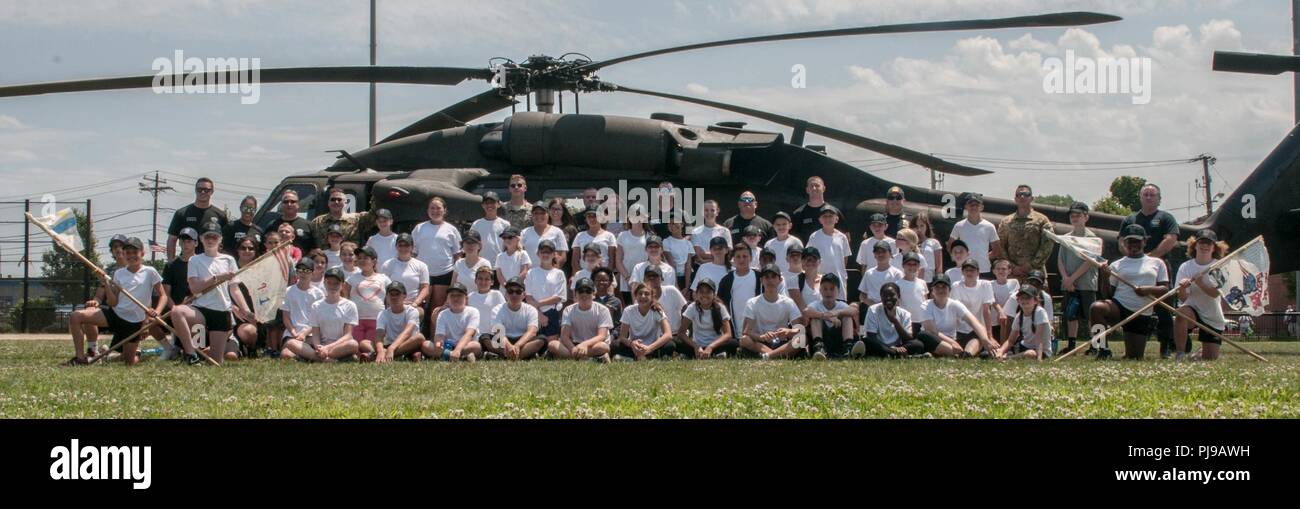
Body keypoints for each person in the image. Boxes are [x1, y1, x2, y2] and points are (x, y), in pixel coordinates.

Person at [65, 238, 167, 366]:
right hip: (116, 315)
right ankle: (79, 358)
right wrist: (106, 283)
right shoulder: (119, 273)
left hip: (134, 323)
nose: (131, 256)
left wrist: (156, 312)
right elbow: (113, 303)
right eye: (128, 253)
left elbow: (163, 296)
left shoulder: (150, 271)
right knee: (76, 316)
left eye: (134, 252)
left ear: (142, 253)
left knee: (129, 362)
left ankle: (115, 355)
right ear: (124, 254)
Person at [171, 224, 253, 364]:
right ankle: (191, 355)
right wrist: (217, 278)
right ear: (201, 239)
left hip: (221, 312)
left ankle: (207, 352)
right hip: (200, 311)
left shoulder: (229, 260)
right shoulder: (194, 260)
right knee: (177, 311)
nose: (210, 240)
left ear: (220, 239)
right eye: (207, 236)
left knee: (215, 362)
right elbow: (195, 288)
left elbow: (234, 289)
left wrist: (246, 311)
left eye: (214, 236)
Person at [1118, 183, 1181, 358]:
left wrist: (1149, 258)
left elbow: (1171, 239)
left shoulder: (1166, 218)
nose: (1148, 197)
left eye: (1152, 195)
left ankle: (1165, 347)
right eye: (1145, 194)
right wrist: (1133, 257)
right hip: (1131, 269)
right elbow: (1121, 241)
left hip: (1158, 268)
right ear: (1140, 197)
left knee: (1163, 309)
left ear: (1159, 199)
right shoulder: (1129, 219)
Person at [1089, 225, 1170, 360]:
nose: (1134, 245)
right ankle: (1102, 349)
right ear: (1125, 243)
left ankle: (1130, 349)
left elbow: (1165, 290)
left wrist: (1147, 290)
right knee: (1097, 308)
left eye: (1137, 241)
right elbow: (1107, 295)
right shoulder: (1116, 265)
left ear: (1144, 241)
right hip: (1120, 306)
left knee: (1134, 357)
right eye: (1130, 241)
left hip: (1142, 312)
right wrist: (1104, 277)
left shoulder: (1157, 263)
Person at [281, 267, 361, 362]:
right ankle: (328, 359)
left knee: (353, 344)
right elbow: (315, 333)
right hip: (320, 345)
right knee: (291, 343)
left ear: (342, 285)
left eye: (336, 283)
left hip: (339, 345)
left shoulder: (350, 305)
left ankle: (317, 358)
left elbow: (348, 335)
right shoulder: (316, 305)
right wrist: (319, 347)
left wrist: (327, 348)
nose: (332, 286)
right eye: (329, 283)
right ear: (324, 284)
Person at [1174, 230, 1229, 360]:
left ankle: (1199, 353)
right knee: (1181, 313)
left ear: (1214, 247)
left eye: (1209, 243)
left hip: (1212, 315)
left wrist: (1200, 283)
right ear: (1195, 245)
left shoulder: (1218, 267)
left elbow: (1215, 294)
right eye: (1201, 243)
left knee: (1209, 359)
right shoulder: (1185, 267)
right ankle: (1180, 353)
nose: (1205, 246)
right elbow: (1183, 298)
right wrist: (1182, 288)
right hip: (1192, 310)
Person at [1058, 201, 1099, 355]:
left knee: (1092, 315)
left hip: (1086, 282)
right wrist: (1066, 279)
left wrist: (1073, 277)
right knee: (1071, 315)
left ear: (1086, 217)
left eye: (1078, 215)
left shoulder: (1092, 238)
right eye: (1072, 215)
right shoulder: (1066, 238)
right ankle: (1071, 344)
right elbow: (1060, 260)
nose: (1075, 218)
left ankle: (1096, 345)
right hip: (1069, 283)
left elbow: (1090, 261)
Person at [738, 264, 805, 360]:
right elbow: (746, 332)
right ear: (761, 280)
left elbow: (799, 329)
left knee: (802, 339)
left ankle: (768, 356)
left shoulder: (788, 302)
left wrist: (788, 331)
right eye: (767, 277)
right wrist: (761, 337)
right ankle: (777, 355)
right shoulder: (752, 302)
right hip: (761, 343)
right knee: (744, 340)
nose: (770, 280)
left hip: (782, 342)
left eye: (773, 277)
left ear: (780, 280)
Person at [920, 275, 996, 358]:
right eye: (937, 287)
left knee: (979, 332)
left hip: (953, 339)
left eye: (944, 287)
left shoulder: (955, 304)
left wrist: (986, 341)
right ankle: (959, 354)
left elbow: (974, 322)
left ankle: (967, 354)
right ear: (932, 290)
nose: (941, 290)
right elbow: (932, 330)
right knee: (924, 335)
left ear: (949, 290)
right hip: (937, 339)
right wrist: (952, 342)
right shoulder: (926, 305)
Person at [412, 196, 461, 323]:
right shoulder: (419, 228)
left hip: (444, 273)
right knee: (421, 306)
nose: (435, 211)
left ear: (444, 210)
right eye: (432, 208)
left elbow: (457, 255)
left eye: (438, 208)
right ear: (427, 210)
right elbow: (413, 252)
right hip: (423, 274)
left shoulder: (451, 229)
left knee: (437, 308)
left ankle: (434, 337)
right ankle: (419, 335)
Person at [858, 282, 928, 358]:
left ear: (898, 296)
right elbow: (871, 336)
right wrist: (891, 348)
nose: (888, 298)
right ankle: (897, 354)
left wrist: (894, 320)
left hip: (898, 346)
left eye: (892, 295)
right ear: (881, 297)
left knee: (918, 344)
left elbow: (907, 339)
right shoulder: (873, 310)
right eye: (885, 296)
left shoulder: (905, 314)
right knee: (866, 341)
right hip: (879, 344)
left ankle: (890, 354)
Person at [997, 185, 1053, 280]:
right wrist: (1012, 267)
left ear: (1031, 198)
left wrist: (1030, 266)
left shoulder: (1042, 220)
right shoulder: (1006, 222)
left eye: (1026, 194)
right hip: (1012, 274)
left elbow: (1047, 245)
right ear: (1015, 199)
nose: (1022, 197)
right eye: (1019, 194)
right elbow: (1000, 246)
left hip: (1035, 275)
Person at [345, 246, 391, 361]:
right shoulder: (351, 279)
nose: (362, 260)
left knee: (369, 344)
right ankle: (369, 356)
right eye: (359, 258)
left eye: (366, 258)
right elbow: (345, 299)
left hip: (377, 320)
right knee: (357, 345)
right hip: (357, 320)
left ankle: (373, 355)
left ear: (374, 261)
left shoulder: (384, 279)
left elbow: (389, 301)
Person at [482, 276, 544, 360]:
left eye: (518, 291)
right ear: (506, 294)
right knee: (485, 338)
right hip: (503, 340)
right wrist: (509, 346)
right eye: (510, 291)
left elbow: (532, 332)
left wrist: (517, 345)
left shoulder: (531, 310)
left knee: (542, 339)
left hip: (523, 340)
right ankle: (522, 355)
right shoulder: (497, 309)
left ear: (524, 295)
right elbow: (498, 332)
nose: (514, 294)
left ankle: (504, 357)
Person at [167, 177, 229, 260]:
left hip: (211, 262)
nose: (203, 192)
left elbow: (226, 242)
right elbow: (172, 239)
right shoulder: (182, 213)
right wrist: (171, 262)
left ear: (212, 192)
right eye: (199, 189)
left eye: (206, 190)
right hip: (188, 261)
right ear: (195, 190)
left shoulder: (220, 215)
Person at [554, 277, 614, 362]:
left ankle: (577, 357)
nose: (584, 294)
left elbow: (602, 336)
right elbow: (564, 336)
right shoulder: (568, 310)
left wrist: (584, 344)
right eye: (581, 291)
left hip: (594, 344)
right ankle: (588, 358)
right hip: (575, 344)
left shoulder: (602, 309)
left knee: (603, 347)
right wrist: (573, 348)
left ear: (593, 294)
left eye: (588, 291)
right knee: (553, 344)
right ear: (575, 294)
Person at [802, 273, 858, 360]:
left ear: (838, 291)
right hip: (823, 338)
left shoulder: (841, 305)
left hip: (838, 340)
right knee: (816, 318)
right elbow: (806, 311)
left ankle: (848, 347)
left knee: (847, 316)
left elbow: (854, 311)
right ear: (820, 290)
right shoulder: (816, 304)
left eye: (832, 289)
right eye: (825, 289)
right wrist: (825, 316)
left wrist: (836, 313)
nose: (828, 292)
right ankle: (819, 347)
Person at [616, 282, 677, 360]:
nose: (643, 296)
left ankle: (638, 357)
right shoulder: (628, 310)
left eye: (646, 294)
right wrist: (631, 344)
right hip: (635, 346)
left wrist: (649, 348)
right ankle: (647, 356)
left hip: (653, 346)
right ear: (635, 296)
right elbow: (622, 337)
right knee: (615, 345)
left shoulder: (657, 310)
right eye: (640, 294)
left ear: (652, 297)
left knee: (671, 345)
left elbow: (668, 334)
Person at [280, 258, 326, 359]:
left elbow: (318, 319)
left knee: (297, 348)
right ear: (296, 272)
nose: (303, 273)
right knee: (286, 354)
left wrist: (304, 333)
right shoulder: (288, 291)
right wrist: (294, 334)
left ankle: (307, 356)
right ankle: (317, 358)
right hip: (292, 334)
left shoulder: (318, 293)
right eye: (300, 270)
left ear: (312, 273)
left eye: (307, 271)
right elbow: (286, 317)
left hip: (312, 334)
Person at [524, 240, 567, 345]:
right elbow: (528, 297)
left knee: (551, 345)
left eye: (548, 252)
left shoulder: (559, 273)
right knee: (534, 343)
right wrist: (539, 315)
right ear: (538, 254)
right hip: (534, 313)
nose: (545, 254)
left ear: (554, 254)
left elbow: (558, 297)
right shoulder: (531, 272)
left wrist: (538, 304)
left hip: (552, 312)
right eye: (543, 252)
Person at [379, 233, 430, 321]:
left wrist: (415, 303)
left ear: (412, 247)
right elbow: (382, 288)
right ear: (396, 247)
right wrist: (396, 303)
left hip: (414, 305)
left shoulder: (421, 266)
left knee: (415, 314)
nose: (403, 248)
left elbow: (425, 288)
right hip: (392, 304)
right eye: (400, 245)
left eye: (406, 245)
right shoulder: (387, 265)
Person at [680, 278, 735, 359]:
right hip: (698, 346)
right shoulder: (692, 307)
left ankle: (714, 353)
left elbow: (728, 334)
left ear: (714, 294)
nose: (704, 295)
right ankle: (710, 354)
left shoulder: (720, 308)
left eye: (708, 292)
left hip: (716, 345)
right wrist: (696, 346)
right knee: (676, 344)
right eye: (701, 292)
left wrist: (711, 347)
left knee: (734, 343)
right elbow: (681, 333)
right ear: (696, 294)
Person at [948, 192, 1001, 277]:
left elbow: (997, 249)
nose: (974, 207)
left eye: (976, 204)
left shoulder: (989, 226)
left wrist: (984, 257)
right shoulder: (959, 226)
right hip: (965, 270)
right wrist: (959, 258)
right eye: (971, 204)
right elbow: (950, 245)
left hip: (983, 269)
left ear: (981, 207)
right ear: (966, 206)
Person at [426, 282, 481, 362]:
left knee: (475, 346)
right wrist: (438, 344)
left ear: (466, 298)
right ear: (447, 299)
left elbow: (469, 334)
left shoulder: (473, 311)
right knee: (426, 344)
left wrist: (458, 349)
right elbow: (439, 335)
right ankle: (460, 357)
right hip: (447, 346)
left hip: (465, 345)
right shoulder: (443, 314)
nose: (456, 298)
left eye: (459, 295)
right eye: (452, 296)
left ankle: (447, 355)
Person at [996, 284, 1053, 360]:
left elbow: (1039, 339)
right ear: (1018, 300)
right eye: (1022, 298)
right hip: (1024, 346)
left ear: (1035, 300)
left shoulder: (1040, 313)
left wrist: (1039, 359)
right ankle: (1003, 356)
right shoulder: (1019, 315)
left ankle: (1007, 358)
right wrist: (1001, 351)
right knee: (1002, 350)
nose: (1024, 300)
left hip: (1041, 350)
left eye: (1028, 298)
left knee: (1030, 354)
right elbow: (1011, 340)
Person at [807, 205, 850, 300]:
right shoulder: (814, 237)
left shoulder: (842, 237)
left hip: (839, 281)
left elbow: (845, 259)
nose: (828, 218)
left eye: (830, 216)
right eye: (824, 216)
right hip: (820, 281)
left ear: (836, 219)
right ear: (820, 220)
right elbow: (809, 258)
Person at [717, 246, 760, 336]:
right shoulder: (726, 280)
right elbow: (720, 303)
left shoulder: (759, 277)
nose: (742, 260)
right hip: (734, 328)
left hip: (758, 329)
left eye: (745, 256)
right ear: (734, 259)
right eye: (738, 256)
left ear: (751, 258)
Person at [950, 259, 996, 344]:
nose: (969, 273)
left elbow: (986, 311)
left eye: (972, 270)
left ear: (978, 272)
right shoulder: (956, 286)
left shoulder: (985, 285)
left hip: (980, 329)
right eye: (966, 270)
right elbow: (955, 312)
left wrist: (989, 335)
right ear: (962, 272)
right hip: (961, 330)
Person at [376, 281, 423, 362]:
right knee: (365, 343)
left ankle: (386, 355)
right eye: (391, 294)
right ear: (387, 297)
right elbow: (379, 334)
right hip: (389, 344)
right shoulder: (382, 313)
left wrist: (391, 348)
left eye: (397, 294)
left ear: (404, 296)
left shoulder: (412, 311)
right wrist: (380, 351)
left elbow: (407, 333)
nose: (394, 297)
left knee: (419, 337)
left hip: (408, 343)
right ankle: (399, 355)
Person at [522, 201, 569, 272]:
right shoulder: (524, 232)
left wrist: (552, 272)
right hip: (529, 276)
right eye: (536, 213)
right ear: (532, 215)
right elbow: (520, 255)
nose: (539, 216)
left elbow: (562, 257)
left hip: (550, 275)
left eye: (542, 213)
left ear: (548, 214)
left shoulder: (557, 232)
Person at [467, 266, 505, 352]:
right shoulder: (470, 297)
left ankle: (493, 352)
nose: (483, 282)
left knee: (490, 341)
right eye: (480, 278)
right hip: (477, 336)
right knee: (482, 340)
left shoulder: (497, 295)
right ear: (475, 281)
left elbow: (504, 313)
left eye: (487, 279)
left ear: (492, 282)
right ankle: (495, 353)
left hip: (495, 335)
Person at [614, 205, 649, 298]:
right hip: (626, 280)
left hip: (645, 280)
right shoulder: (622, 235)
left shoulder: (650, 236)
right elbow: (618, 260)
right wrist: (628, 278)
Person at [267, 189, 315, 253]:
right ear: (281, 204)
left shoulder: (309, 226)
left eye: (292, 201)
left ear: (298, 204)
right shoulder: (272, 225)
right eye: (286, 202)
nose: (289, 204)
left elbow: (316, 250)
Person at [571, 205, 616, 273]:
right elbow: (575, 261)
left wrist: (606, 275)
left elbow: (612, 261)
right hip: (584, 277)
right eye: (589, 216)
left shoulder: (609, 236)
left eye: (595, 216)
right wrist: (581, 274)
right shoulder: (579, 236)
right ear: (586, 219)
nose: (592, 219)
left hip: (603, 277)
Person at [858, 241, 903, 309]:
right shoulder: (868, 273)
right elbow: (862, 295)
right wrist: (874, 305)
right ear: (874, 255)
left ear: (890, 254)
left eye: (884, 252)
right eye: (878, 252)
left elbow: (901, 295)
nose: (880, 254)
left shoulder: (897, 274)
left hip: (891, 309)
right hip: (871, 308)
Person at [471, 192, 510, 266]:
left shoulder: (505, 224)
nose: (489, 205)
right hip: (481, 265)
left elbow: (509, 246)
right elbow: (472, 245)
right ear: (482, 205)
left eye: (492, 202)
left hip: (500, 265)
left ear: (498, 204)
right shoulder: (476, 224)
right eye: (486, 203)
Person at [895, 252, 930, 335]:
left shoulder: (923, 283)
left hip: (921, 321)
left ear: (919, 266)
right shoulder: (897, 284)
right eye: (909, 264)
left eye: (915, 264)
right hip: (905, 322)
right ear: (903, 266)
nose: (912, 267)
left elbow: (926, 301)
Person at [990, 259, 1019, 344]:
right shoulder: (989, 284)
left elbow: (1011, 299)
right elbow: (992, 299)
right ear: (993, 271)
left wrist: (1003, 313)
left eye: (1003, 269)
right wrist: (1000, 312)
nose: (1000, 271)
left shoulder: (1014, 282)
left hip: (1009, 320)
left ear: (1009, 271)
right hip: (994, 321)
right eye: (998, 269)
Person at [912, 210, 944, 283]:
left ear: (927, 226)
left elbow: (939, 266)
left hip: (929, 280)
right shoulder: (910, 242)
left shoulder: (934, 243)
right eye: (916, 226)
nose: (919, 229)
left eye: (922, 225)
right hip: (913, 279)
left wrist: (938, 282)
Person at [663, 217, 694, 292]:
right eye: (669, 224)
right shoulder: (666, 242)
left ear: (682, 224)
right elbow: (672, 264)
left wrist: (687, 287)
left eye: (674, 223)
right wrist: (676, 286)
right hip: (672, 278)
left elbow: (688, 266)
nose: (672, 226)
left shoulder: (688, 243)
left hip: (686, 278)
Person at [591, 267, 624, 333]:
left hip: (610, 336)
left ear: (610, 282)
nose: (601, 282)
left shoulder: (616, 302)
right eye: (598, 280)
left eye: (605, 280)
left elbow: (620, 324)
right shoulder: (590, 301)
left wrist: (613, 336)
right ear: (594, 282)